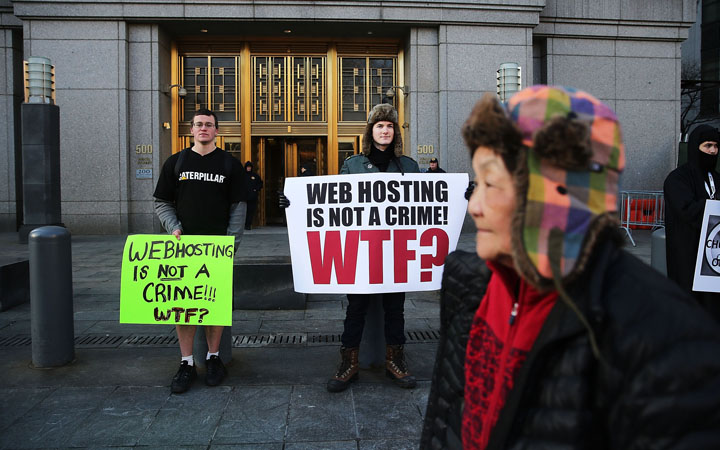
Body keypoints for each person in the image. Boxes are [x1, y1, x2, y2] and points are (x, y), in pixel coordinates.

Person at [420, 86, 720, 449]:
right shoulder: (469, 284)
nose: (475, 206)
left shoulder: (670, 347)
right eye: (476, 185)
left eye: (492, 185)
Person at [154, 108, 247, 394]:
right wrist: (173, 229)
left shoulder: (230, 165)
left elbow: (238, 208)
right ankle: (186, 363)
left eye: (209, 125)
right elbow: (162, 202)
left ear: (217, 131)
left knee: (214, 307)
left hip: (217, 249)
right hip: (184, 251)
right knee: (183, 309)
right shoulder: (176, 162)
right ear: (191, 130)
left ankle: (214, 358)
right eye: (198, 125)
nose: (204, 129)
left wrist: (230, 243)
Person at [664, 124, 720, 322]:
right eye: (707, 146)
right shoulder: (677, 179)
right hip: (688, 252)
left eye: (716, 146)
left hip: (713, 256)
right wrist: (711, 205)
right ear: (696, 146)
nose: (713, 151)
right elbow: (685, 210)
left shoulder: (716, 178)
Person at [244, 161, 263, 230]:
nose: (248, 168)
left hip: (252, 197)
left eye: (250, 167)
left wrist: (256, 189)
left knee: (250, 211)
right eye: (247, 167)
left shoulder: (255, 176)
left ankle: (248, 225)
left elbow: (260, 183)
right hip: (244, 197)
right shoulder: (242, 175)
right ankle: (244, 224)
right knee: (243, 212)